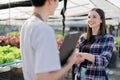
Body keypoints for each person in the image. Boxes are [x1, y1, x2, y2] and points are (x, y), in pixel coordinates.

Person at [20, 0, 79, 80]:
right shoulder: (43, 29)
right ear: (50, 1)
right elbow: (43, 78)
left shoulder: (26, 25)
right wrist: (70, 63)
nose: (58, 4)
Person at [74, 8, 114, 80]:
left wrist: (85, 55)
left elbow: (104, 61)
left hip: (96, 76)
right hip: (81, 74)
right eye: (89, 17)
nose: (90, 19)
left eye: (94, 17)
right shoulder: (83, 37)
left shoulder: (108, 38)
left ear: (101, 20)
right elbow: (78, 56)